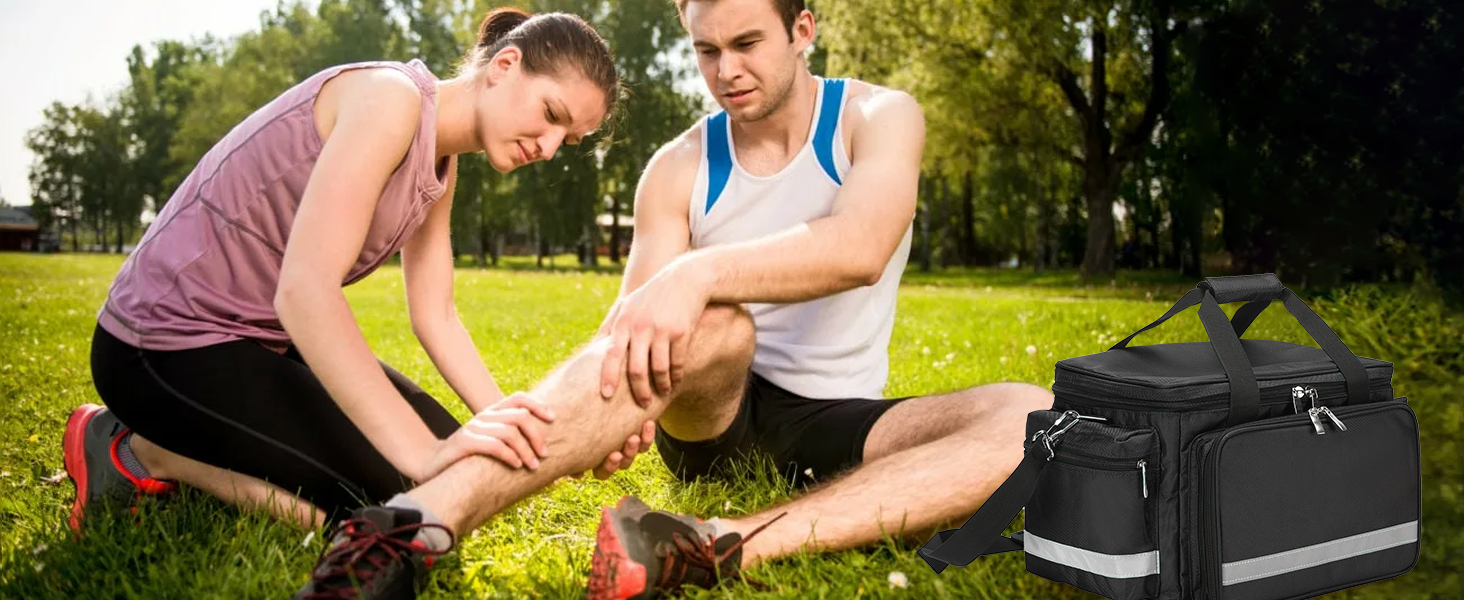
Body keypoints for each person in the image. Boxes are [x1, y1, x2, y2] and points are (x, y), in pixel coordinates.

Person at [270, 0, 1051, 598]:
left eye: (747, 43)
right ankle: (414, 525)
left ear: (802, 30)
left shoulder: (879, 117)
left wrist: (696, 273)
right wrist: (617, 411)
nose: (726, 69)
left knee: (1034, 415)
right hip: (713, 412)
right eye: (707, 50)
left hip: (842, 417)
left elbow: (862, 246)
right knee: (720, 324)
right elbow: (628, 334)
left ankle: (714, 542)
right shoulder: (678, 166)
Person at [63, 8, 639, 597]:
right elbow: (305, 291)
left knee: (459, 471)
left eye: (568, 140)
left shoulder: (442, 160)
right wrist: (422, 454)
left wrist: (528, 432)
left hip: (256, 342)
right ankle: (137, 450)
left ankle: (186, 443)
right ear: (505, 65)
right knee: (399, 502)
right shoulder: (390, 101)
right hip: (158, 345)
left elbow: (435, 313)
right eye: (551, 115)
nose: (549, 147)